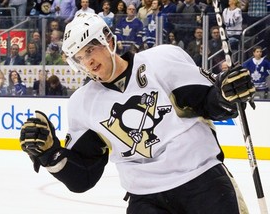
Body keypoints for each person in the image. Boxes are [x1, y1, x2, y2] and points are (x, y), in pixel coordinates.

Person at [20, 13, 255, 214]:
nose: (88, 62)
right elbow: (82, 179)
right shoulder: (83, 103)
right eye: (79, 58)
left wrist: (226, 95)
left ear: (109, 41)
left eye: (90, 50)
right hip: (145, 199)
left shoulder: (162, 61)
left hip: (203, 181)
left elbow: (210, 104)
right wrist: (50, 154)